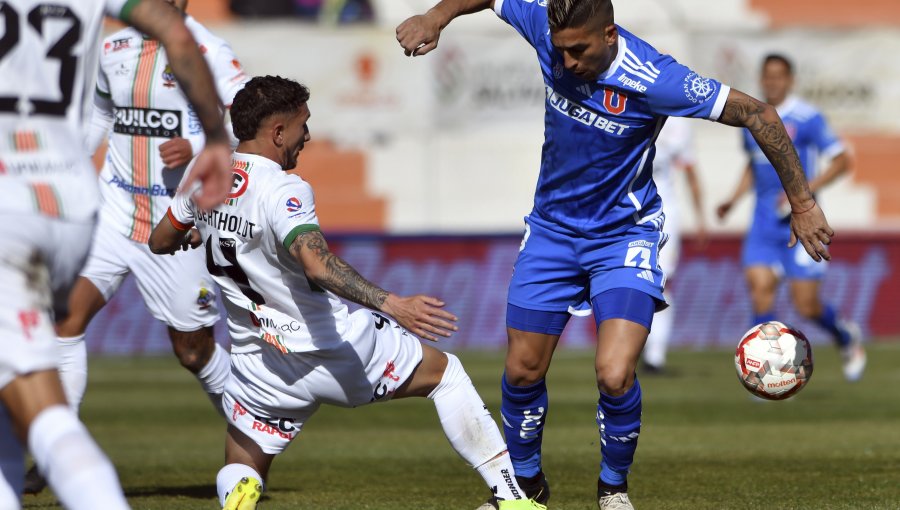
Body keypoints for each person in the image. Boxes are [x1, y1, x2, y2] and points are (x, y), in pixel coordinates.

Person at [396, 1, 834, 508]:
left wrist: (802, 203)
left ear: (608, 34)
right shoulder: (549, 28)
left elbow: (759, 113)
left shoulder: (656, 78)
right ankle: (527, 490)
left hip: (623, 237)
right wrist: (436, 17)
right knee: (521, 369)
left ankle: (613, 489)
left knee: (614, 371)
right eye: (559, 52)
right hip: (552, 232)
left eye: (579, 51)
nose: (567, 63)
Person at [149, 75, 546, 510]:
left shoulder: (204, 173)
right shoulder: (284, 189)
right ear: (278, 132)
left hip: (258, 359)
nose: (308, 135)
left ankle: (238, 499)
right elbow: (316, 264)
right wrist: (390, 303)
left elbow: (160, 240)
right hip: (327, 346)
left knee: (243, 459)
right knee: (445, 375)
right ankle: (512, 498)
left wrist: (200, 234)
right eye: (303, 125)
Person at [0, 0, 232, 508]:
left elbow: (242, 124)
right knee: (65, 322)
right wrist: (69, 158)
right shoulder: (114, 45)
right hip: (108, 208)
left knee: (192, 350)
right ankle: (48, 455)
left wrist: (198, 143)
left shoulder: (213, 53)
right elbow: (102, 113)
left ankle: (250, 432)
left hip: (173, 219)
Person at [716, 53, 865, 381]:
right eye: (766, 76)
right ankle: (768, 370)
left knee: (806, 306)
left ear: (790, 79)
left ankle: (846, 336)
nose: (772, 82)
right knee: (760, 289)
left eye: (778, 76)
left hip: (800, 224)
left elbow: (841, 160)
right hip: (763, 223)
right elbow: (754, 166)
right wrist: (732, 199)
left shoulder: (807, 117)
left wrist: (804, 191)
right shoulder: (752, 116)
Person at [641, 117, 707, 374]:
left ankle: (654, 355)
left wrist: (700, 218)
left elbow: (690, 170)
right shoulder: (625, 104)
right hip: (623, 212)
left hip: (663, 212)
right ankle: (633, 346)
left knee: (662, 282)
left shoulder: (677, 121)